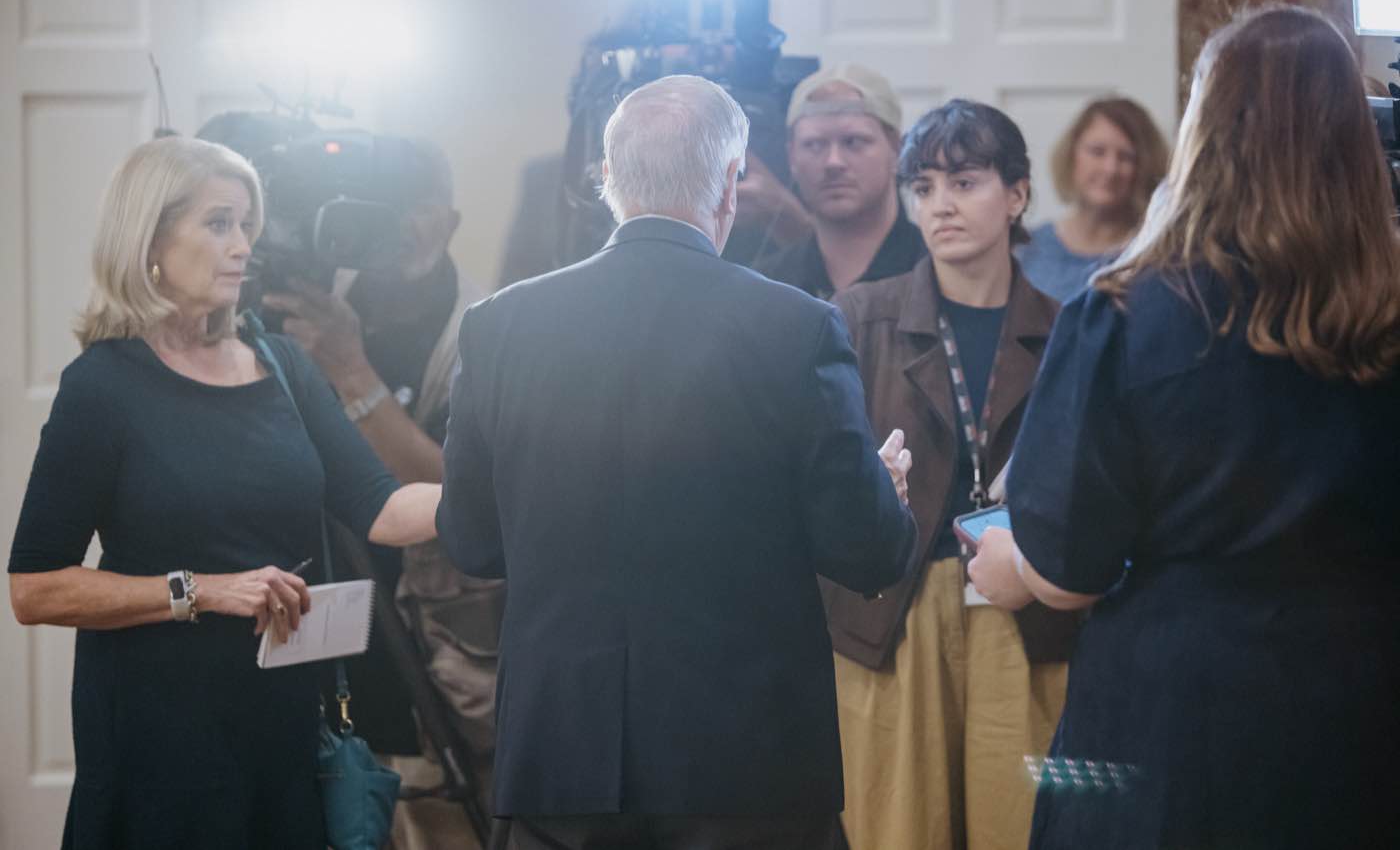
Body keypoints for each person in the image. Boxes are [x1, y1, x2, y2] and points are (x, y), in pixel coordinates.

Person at [435, 74, 918, 850]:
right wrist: (884, 494)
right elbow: (866, 552)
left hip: (564, 758)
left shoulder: (501, 325)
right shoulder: (796, 328)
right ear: (730, 184)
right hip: (748, 766)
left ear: (607, 181)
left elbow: (471, 540)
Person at [968, 5, 1400, 849]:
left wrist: (1007, 561)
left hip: (1176, 714)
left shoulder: (1124, 312)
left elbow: (1067, 571)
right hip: (1366, 696)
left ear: (1205, 128)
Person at [7, 136, 442, 850]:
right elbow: (35, 588)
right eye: (218, 223)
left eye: (248, 225)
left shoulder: (286, 366)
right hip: (160, 752)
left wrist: (495, 493)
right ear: (150, 239)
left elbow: (383, 507)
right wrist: (200, 590)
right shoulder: (104, 388)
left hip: (283, 738)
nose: (243, 245)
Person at [826, 100, 1080, 850]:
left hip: (1027, 605)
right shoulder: (855, 318)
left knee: (1023, 829)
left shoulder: (1071, 329)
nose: (940, 204)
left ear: (1018, 194)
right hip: (891, 611)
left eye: (965, 181)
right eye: (925, 186)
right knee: (896, 829)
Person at [260, 138, 499, 848]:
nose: (406, 228)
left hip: (439, 647)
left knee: (439, 825)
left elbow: (466, 497)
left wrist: (349, 370)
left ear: (452, 220)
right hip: (319, 615)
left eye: (424, 207)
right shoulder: (306, 304)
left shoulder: (482, 332)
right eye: (389, 206)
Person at [755, 63, 927, 299]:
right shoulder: (766, 288)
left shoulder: (943, 275)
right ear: (792, 156)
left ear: (896, 149)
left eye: (853, 141)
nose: (833, 162)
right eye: (814, 144)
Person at [1015, 97, 1168, 302]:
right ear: (1071, 154)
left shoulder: (1154, 259)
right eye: (1097, 152)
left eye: (1126, 157)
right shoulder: (1027, 249)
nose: (1110, 169)